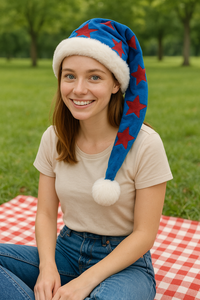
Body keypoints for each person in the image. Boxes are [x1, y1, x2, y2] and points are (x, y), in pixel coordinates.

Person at [0, 18, 173, 300]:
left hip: (124, 264)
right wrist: (47, 268)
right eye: (70, 76)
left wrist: (85, 282)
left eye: (94, 77)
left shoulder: (146, 144)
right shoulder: (53, 138)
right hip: (66, 251)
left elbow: (144, 234)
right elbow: (45, 214)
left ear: (116, 83)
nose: (79, 89)